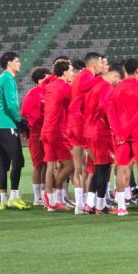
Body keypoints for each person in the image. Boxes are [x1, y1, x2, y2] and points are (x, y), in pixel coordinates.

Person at [107, 58, 138, 216]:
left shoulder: (115, 88)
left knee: (122, 168)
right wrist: (127, 131)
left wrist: (118, 132)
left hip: (121, 132)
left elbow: (110, 112)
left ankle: (121, 207)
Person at [0, 51, 31, 210]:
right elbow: (11, 104)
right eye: (16, 61)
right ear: (9, 63)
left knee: (3, 162)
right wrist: (19, 120)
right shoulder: (8, 79)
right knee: (18, 160)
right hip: (7, 124)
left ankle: (3, 199)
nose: (19, 63)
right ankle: (14, 197)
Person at [69, 52, 102, 214]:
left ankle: (79, 205)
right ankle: (93, 201)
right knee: (98, 164)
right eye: (101, 63)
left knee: (79, 167)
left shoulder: (78, 77)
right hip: (83, 124)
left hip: (73, 123)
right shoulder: (88, 77)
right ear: (95, 65)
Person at [41, 58, 76, 211]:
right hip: (57, 131)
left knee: (50, 165)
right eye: (71, 71)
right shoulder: (65, 87)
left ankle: (51, 201)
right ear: (64, 72)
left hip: (46, 130)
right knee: (70, 165)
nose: (72, 73)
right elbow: (75, 105)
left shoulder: (50, 86)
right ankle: (54, 192)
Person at [89, 63, 123, 215]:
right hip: (102, 133)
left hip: (95, 130)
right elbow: (104, 107)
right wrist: (111, 124)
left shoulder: (96, 85)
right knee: (103, 168)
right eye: (119, 81)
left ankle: (94, 204)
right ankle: (100, 206)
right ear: (116, 76)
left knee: (99, 168)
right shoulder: (106, 86)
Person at [21, 67, 51, 206]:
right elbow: (25, 113)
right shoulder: (33, 93)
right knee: (38, 164)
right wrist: (30, 128)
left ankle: (45, 192)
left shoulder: (48, 92)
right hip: (36, 133)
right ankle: (37, 196)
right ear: (40, 80)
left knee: (47, 163)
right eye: (47, 77)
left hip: (48, 132)